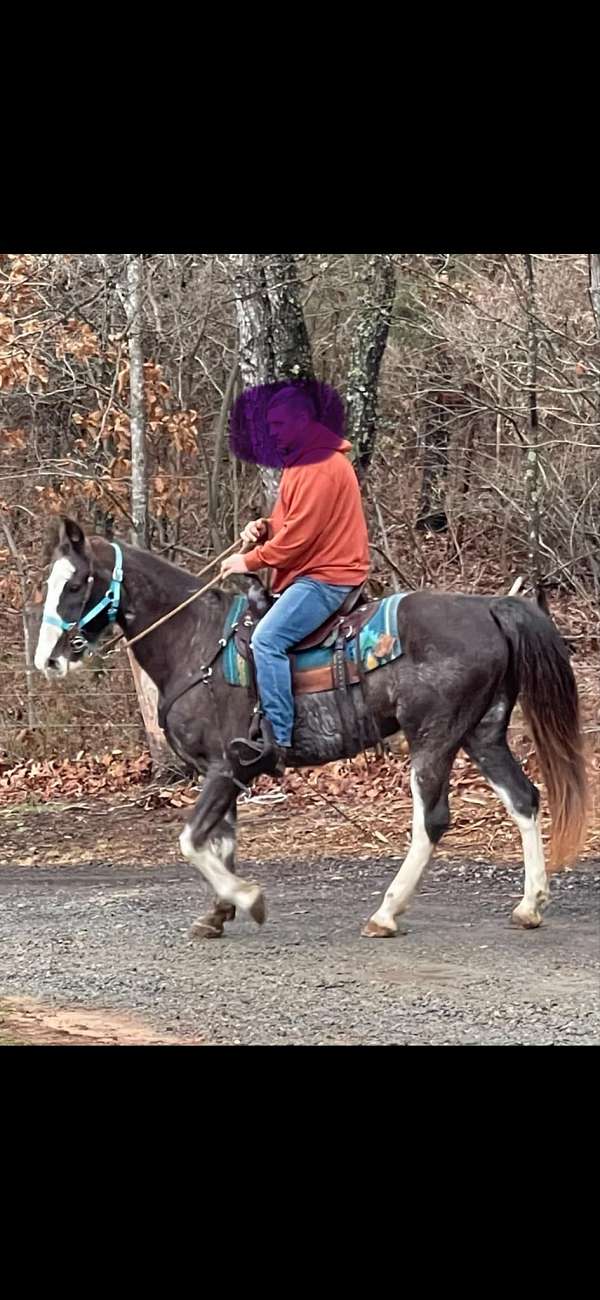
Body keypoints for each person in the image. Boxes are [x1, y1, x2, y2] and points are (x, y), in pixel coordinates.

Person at [221, 386, 370, 768]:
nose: (271, 433)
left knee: (267, 640)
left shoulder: (319, 466)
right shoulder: (301, 462)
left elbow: (300, 540)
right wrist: (265, 527)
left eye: (278, 424)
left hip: (327, 576)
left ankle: (279, 740)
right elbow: (291, 525)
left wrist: (249, 561)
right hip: (314, 570)